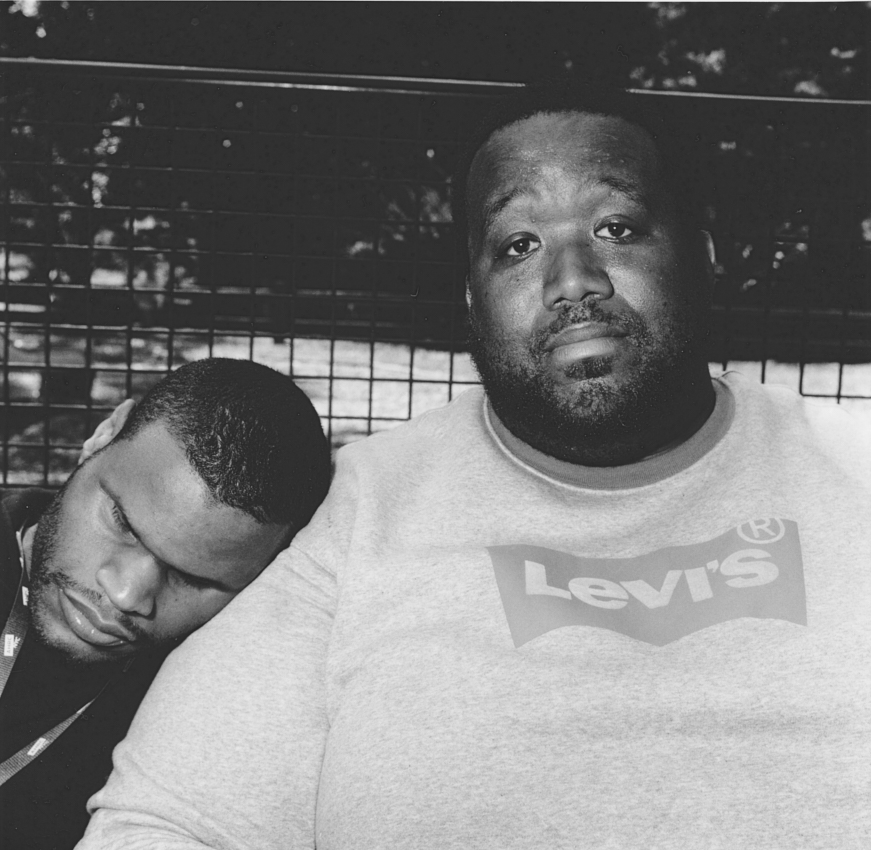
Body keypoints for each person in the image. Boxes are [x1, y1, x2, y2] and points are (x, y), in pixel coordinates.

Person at [78, 84, 871, 850]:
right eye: (518, 245)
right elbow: (163, 825)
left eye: (615, 228)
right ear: (470, 298)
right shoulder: (361, 511)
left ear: (700, 256)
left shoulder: (851, 467)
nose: (573, 281)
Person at [0, 357, 330, 850]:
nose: (127, 594)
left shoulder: (206, 710)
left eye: (192, 578)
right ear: (104, 435)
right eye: (123, 523)